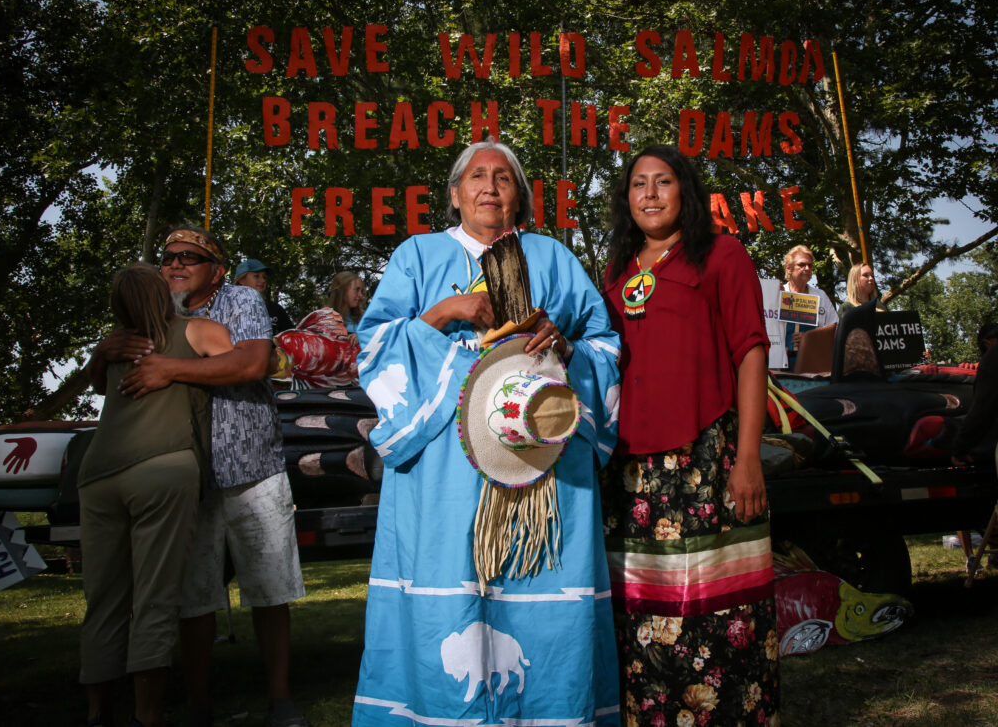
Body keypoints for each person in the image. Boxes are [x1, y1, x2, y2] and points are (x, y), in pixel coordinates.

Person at [351, 141, 621, 726]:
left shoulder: (552, 257)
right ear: (455, 194)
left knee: (540, 594)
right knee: (446, 589)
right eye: (478, 176)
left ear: (520, 196)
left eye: (505, 178)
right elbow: (374, 347)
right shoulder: (417, 256)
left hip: (541, 465)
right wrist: (446, 311)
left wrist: (565, 346)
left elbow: (606, 346)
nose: (491, 187)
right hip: (444, 469)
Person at [601, 144, 780, 726]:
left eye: (664, 182)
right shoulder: (618, 271)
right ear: (626, 200)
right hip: (629, 470)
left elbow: (752, 353)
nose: (650, 194)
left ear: (687, 192)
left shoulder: (722, 256)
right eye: (638, 184)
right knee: (640, 616)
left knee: (715, 612)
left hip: (707, 457)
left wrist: (747, 455)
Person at [101, 227, 309, 727]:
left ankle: (279, 698)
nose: (174, 264)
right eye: (168, 257)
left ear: (216, 269)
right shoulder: (154, 312)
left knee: (270, 587)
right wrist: (103, 352)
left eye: (189, 258)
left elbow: (255, 361)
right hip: (183, 473)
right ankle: (198, 705)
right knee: (194, 597)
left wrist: (170, 369)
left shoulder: (241, 299)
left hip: (251, 466)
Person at [79, 263, 232, 727]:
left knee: (103, 599)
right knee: (155, 597)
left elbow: (95, 387)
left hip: (99, 473)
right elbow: (246, 363)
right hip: (162, 468)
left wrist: (101, 357)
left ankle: (98, 712)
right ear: (161, 293)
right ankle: (148, 714)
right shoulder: (196, 331)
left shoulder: (113, 345)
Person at [781, 244, 839, 369]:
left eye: (810, 265)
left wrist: (810, 339)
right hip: (783, 366)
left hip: (815, 364)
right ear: (789, 268)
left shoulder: (821, 296)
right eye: (802, 265)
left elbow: (835, 328)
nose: (807, 268)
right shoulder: (778, 295)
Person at [234, 258, 295, 335]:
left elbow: (292, 338)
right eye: (256, 276)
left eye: (264, 277)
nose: (263, 280)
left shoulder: (275, 309)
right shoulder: (228, 307)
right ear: (241, 280)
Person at [325, 270, 366, 336]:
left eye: (361, 291)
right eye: (357, 290)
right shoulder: (324, 320)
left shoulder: (365, 318)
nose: (360, 295)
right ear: (341, 290)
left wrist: (362, 337)